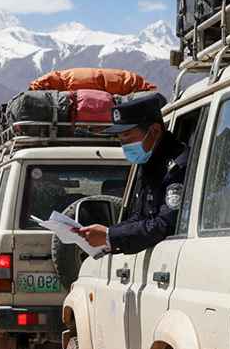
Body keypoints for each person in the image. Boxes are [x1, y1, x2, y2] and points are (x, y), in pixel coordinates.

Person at [77, 92, 188, 255]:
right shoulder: (149, 164)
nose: (125, 146)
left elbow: (166, 224)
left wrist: (110, 235)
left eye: (128, 138)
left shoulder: (177, 165)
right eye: (121, 140)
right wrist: (108, 236)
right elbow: (140, 217)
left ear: (155, 131)